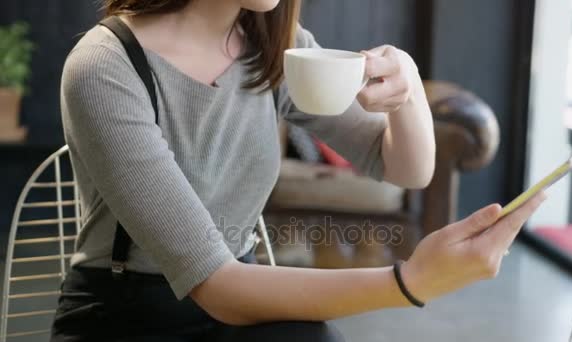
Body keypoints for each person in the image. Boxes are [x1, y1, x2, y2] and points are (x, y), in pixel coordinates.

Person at [51, 0, 546, 341]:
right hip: (127, 314)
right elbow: (216, 285)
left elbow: (406, 168)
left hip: (241, 298)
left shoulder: (275, 48)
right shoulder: (103, 68)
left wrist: (407, 87)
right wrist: (409, 281)